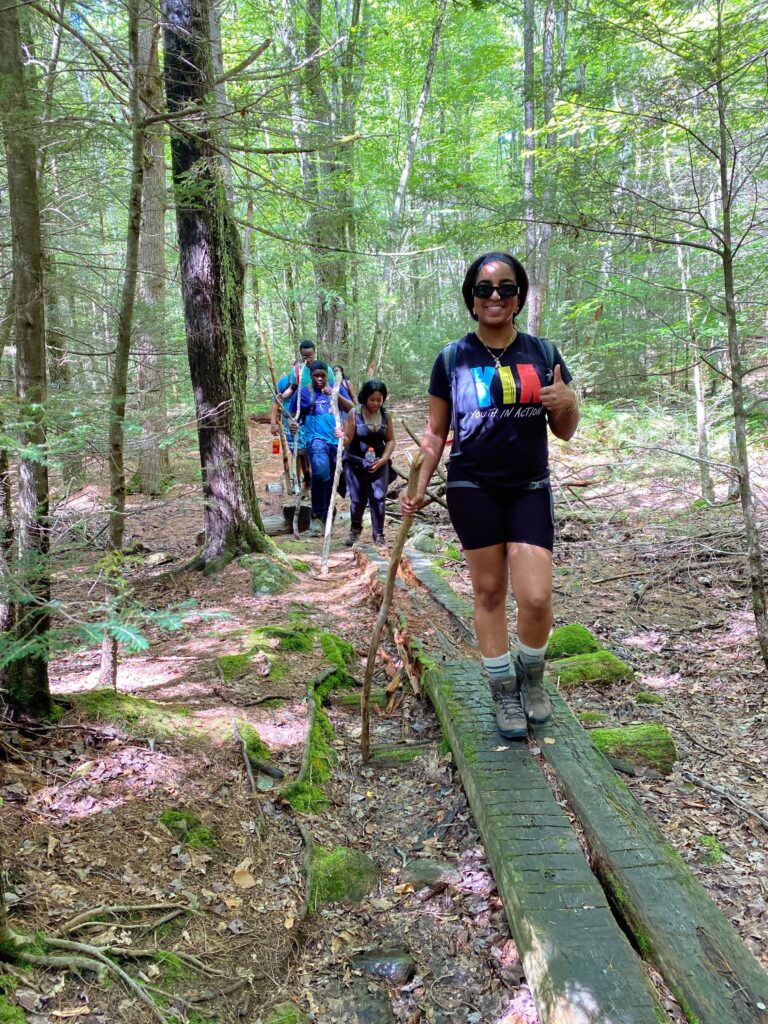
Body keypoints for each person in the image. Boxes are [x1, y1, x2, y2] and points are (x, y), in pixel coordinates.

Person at [400, 252, 579, 739]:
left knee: (537, 597)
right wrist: (418, 482)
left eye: (505, 288)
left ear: (518, 296)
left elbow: (563, 429)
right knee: (490, 590)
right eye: (484, 289)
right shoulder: (453, 358)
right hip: (471, 485)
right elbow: (437, 433)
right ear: (471, 298)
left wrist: (570, 403)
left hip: (529, 486)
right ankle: (503, 689)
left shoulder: (543, 353)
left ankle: (532, 675)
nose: (494, 296)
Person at [288, 361, 353, 535]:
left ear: (327, 375)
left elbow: (353, 409)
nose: (319, 379)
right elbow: (292, 417)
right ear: (310, 375)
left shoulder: (335, 387)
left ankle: (327, 515)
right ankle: (317, 517)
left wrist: (335, 395)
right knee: (320, 473)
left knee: (332, 478)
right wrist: (292, 425)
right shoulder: (303, 392)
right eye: (316, 375)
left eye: (322, 375)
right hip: (314, 439)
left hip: (336, 440)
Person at [270, 342, 336, 487]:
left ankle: (319, 479)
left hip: (321, 414)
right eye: (304, 356)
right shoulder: (297, 371)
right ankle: (306, 479)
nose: (308, 359)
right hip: (301, 413)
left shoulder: (326, 370)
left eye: (310, 356)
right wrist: (283, 396)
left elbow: (332, 389)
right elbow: (292, 389)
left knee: (321, 449)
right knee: (301, 450)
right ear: (300, 355)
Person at [342, 379, 395, 546]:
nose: (376, 403)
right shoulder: (354, 414)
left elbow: (391, 440)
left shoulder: (386, 416)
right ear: (365, 397)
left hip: (378, 462)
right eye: (372, 399)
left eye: (379, 399)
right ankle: (355, 530)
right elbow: (347, 440)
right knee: (357, 499)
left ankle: (379, 535)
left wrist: (384, 460)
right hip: (355, 462)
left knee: (378, 497)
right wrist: (339, 435)